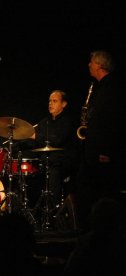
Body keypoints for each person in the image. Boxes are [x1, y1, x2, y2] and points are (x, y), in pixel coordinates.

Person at [75, 50, 126, 232]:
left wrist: (108, 151)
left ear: (100, 65)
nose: (89, 65)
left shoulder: (112, 88)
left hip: (102, 154)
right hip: (93, 153)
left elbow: (114, 122)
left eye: (91, 62)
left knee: (101, 195)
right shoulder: (101, 88)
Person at [30, 90, 78, 221]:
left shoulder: (67, 121)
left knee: (53, 169)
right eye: (50, 101)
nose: (50, 104)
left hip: (64, 162)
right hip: (47, 161)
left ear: (64, 104)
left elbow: (57, 140)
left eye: (55, 101)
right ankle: (37, 213)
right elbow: (33, 140)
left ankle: (53, 214)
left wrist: (36, 136)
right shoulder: (44, 122)